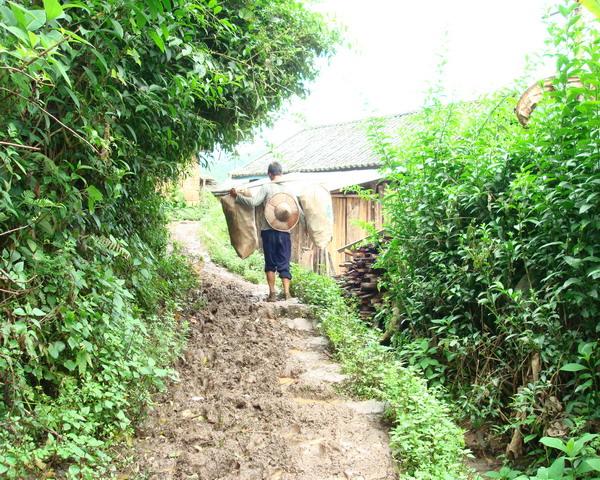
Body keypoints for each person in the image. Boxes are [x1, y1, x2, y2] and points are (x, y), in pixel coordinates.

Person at [229, 162, 300, 302]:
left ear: (269, 174)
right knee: (284, 263)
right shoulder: (290, 190)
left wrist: (237, 196)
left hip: (268, 232)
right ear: (281, 173)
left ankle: (272, 294)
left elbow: (253, 203)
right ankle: (286, 294)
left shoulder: (266, 187)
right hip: (285, 232)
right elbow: (298, 211)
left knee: (270, 263)